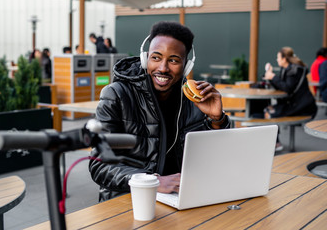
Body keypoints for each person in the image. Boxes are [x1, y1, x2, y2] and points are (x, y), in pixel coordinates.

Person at [89, 21, 231, 201]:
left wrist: (216, 120)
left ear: (186, 66)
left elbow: (215, 161)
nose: (163, 68)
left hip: (179, 198)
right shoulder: (116, 95)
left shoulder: (193, 100)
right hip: (129, 199)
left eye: (173, 60)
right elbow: (100, 166)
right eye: (156, 58)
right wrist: (153, 181)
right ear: (145, 58)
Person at [264, 47, 317, 150]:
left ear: (284, 59)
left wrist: (273, 77)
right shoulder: (287, 69)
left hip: (303, 107)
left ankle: (276, 143)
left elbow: (287, 88)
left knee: (270, 112)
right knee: (267, 109)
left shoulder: (294, 70)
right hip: (294, 104)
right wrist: (270, 77)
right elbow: (282, 86)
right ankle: (275, 142)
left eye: (278, 57)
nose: (277, 59)